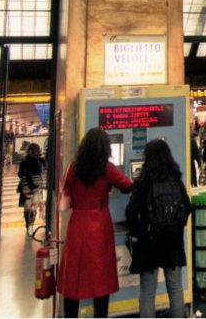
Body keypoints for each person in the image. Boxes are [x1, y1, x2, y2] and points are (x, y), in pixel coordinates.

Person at [58, 128, 133, 318]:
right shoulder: (106, 168)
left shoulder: (73, 168)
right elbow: (126, 185)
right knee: (102, 277)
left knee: (73, 275)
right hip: (99, 224)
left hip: (77, 222)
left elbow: (64, 196)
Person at [125, 138, 191, 318]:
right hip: (173, 241)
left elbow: (131, 212)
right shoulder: (175, 179)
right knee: (176, 289)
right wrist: (176, 226)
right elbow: (187, 206)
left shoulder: (143, 181)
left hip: (149, 241)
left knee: (147, 293)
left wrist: (138, 232)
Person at [17, 142, 44, 232]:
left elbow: (20, 174)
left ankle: (28, 224)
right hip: (36, 187)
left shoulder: (24, 162)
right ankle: (31, 225)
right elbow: (43, 172)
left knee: (27, 207)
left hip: (26, 187)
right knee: (34, 206)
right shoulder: (40, 161)